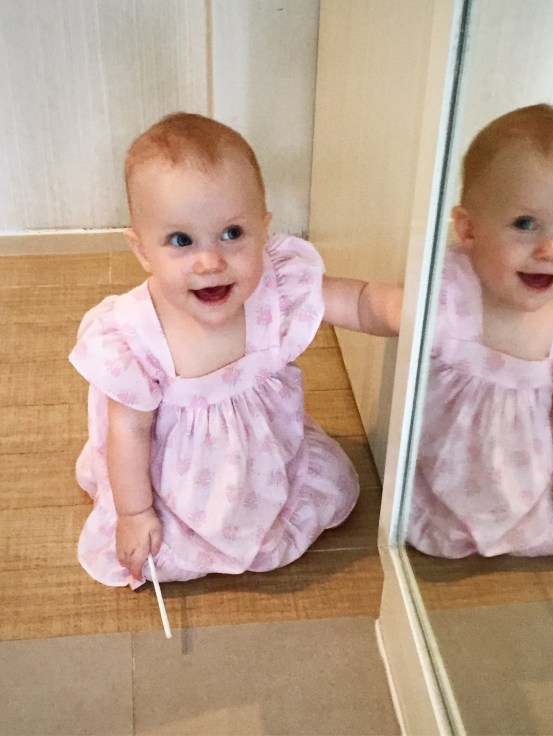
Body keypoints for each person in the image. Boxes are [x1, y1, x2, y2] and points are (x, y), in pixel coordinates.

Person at [70, 112, 402, 588]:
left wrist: (405, 311)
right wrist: (135, 513)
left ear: (264, 230)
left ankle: (264, 506)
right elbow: (129, 431)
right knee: (160, 547)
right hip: (181, 480)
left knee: (333, 486)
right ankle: (174, 522)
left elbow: (359, 302)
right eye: (181, 240)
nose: (211, 261)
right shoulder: (134, 336)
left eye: (232, 234)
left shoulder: (275, 289)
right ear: (142, 250)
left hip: (264, 457)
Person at [407, 104, 553, 559]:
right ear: (468, 229)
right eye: (525, 224)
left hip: (526, 471)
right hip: (447, 461)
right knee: (431, 517)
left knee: (544, 526)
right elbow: (383, 316)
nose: (550, 249)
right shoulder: (449, 289)